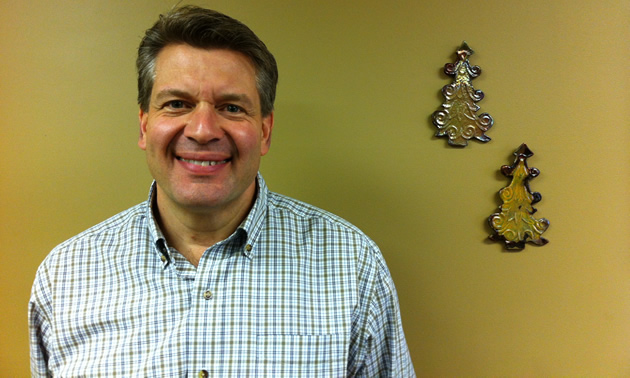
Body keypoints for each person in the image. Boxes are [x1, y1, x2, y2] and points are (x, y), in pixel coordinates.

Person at [29, 5, 415, 377]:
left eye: (231, 108)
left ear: (264, 131)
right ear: (145, 126)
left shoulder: (352, 264)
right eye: (177, 103)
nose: (202, 130)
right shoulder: (65, 275)